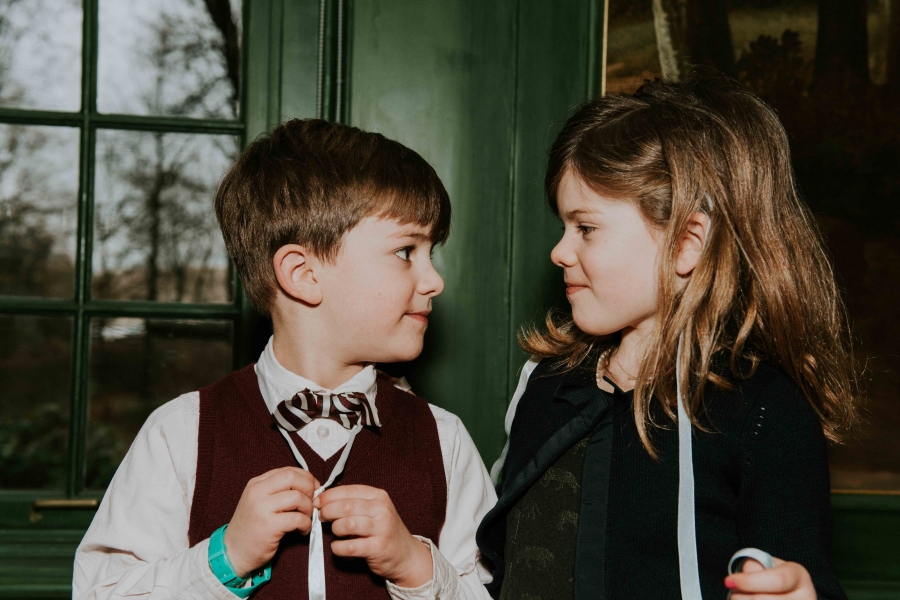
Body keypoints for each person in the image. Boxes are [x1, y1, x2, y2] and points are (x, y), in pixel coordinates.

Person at [74, 119, 496, 600]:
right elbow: (99, 591)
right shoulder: (180, 433)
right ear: (302, 274)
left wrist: (416, 567)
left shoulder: (445, 440)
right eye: (406, 251)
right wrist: (223, 559)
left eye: (430, 253)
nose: (434, 280)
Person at [476, 76, 857, 600]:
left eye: (585, 228)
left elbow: (798, 572)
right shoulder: (544, 387)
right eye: (563, 227)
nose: (559, 252)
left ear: (686, 242)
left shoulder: (765, 411)